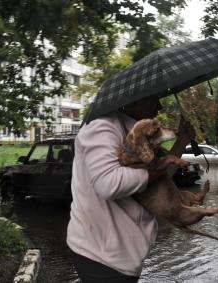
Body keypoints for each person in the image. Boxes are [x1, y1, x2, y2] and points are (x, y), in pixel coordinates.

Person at [67, 96, 195, 283]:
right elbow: (108, 184)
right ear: (134, 99)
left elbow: (161, 175)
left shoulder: (139, 132)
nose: (159, 106)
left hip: (126, 254)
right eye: (154, 99)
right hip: (101, 255)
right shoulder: (101, 128)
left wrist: (182, 140)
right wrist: (158, 168)